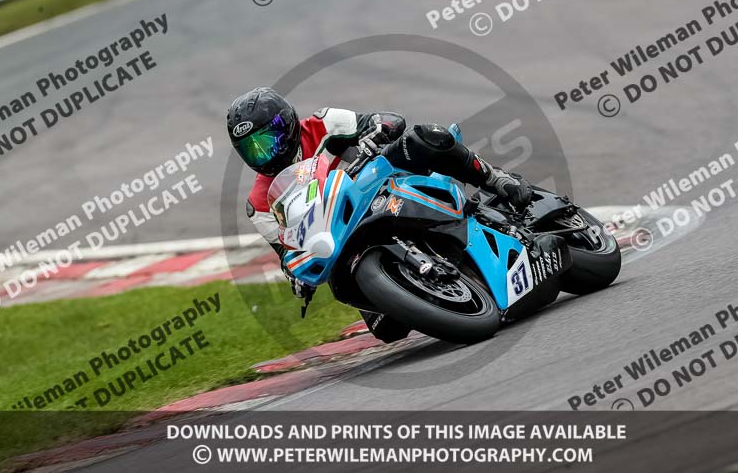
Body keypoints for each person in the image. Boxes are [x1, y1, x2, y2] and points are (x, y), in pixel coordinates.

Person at [227, 87, 532, 341]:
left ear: (288, 125)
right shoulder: (259, 205)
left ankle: (495, 178)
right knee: (387, 329)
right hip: (338, 240)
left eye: (266, 142)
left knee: (423, 137)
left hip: (376, 186)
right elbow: (287, 253)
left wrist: (376, 131)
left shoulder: (322, 123)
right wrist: (297, 277)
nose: (262, 154)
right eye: (250, 149)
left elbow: (387, 121)